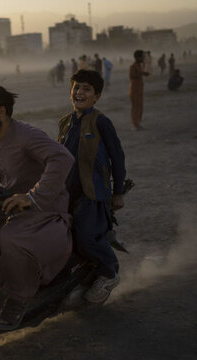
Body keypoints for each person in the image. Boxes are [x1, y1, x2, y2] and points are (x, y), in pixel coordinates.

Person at [0, 84, 73, 330]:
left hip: (45, 209)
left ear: (1, 112)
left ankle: (19, 298)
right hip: (15, 206)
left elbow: (62, 157)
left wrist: (34, 197)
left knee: (10, 236)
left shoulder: (26, 135)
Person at [56, 69, 126, 303]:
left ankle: (109, 272)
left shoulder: (101, 122)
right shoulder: (65, 123)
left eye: (86, 89)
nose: (79, 92)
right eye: (76, 87)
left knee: (86, 237)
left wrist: (117, 194)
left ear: (97, 96)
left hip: (93, 193)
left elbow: (117, 158)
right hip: (66, 193)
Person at [129, 50, 149, 131]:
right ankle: (135, 124)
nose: (143, 58)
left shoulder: (139, 65)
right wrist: (142, 74)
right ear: (138, 57)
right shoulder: (133, 66)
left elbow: (140, 72)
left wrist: (143, 72)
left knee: (140, 107)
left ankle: (138, 123)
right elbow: (132, 76)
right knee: (135, 108)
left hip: (139, 90)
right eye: (142, 57)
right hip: (134, 90)